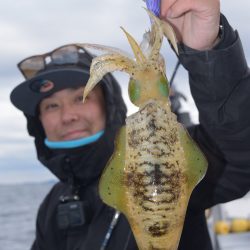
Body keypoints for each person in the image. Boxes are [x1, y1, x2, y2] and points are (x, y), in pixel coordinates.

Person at [10, 0, 250, 249]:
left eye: (81, 97)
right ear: (38, 121)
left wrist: (207, 52)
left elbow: (238, 153)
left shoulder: (174, 155)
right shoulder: (52, 207)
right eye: (52, 106)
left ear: (109, 103)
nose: (68, 115)